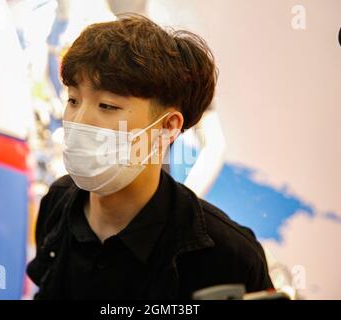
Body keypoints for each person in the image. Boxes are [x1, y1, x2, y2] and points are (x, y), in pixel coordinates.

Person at [27, 14, 273, 299]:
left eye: (107, 105)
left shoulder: (226, 256)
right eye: (73, 100)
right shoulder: (57, 204)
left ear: (168, 127)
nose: (79, 121)